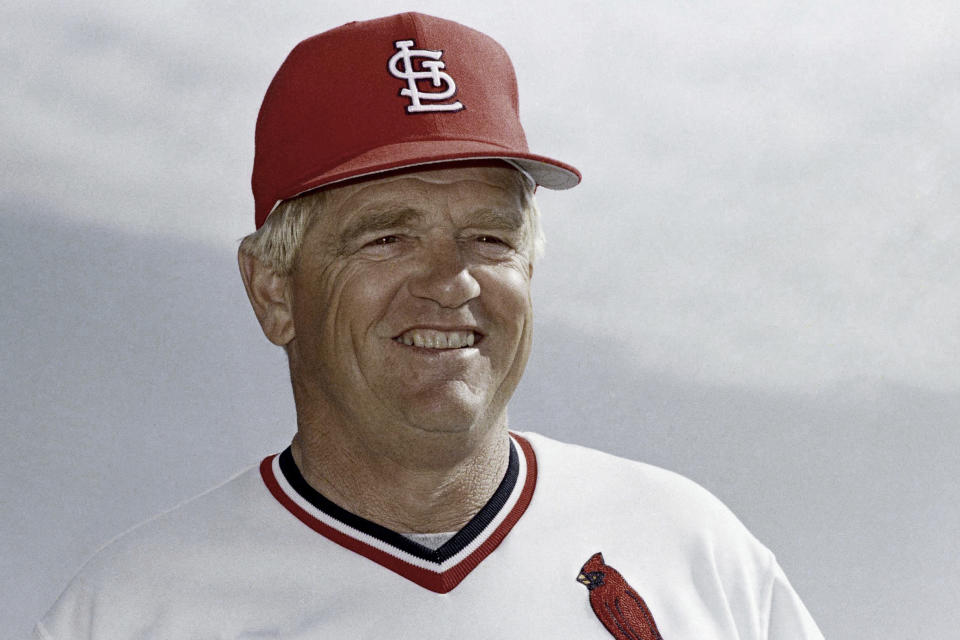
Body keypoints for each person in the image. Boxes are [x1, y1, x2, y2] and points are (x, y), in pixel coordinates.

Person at [35, 12, 823, 639]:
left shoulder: (695, 551)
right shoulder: (128, 615)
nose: (451, 283)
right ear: (273, 289)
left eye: (490, 237)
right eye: (387, 236)